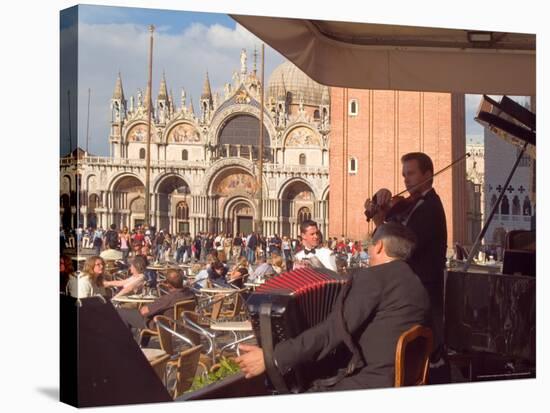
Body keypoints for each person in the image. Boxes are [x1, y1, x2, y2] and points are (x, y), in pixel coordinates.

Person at [236, 223, 430, 390]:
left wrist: (273, 358)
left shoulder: (373, 277)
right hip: (402, 381)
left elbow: (335, 330)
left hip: (370, 383)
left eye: (370, 246)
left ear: (378, 246)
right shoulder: (417, 284)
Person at [364, 152, 447, 367]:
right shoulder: (411, 204)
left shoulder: (429, 208)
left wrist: (381, 220)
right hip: (410, 296)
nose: (406, 179)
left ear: (428, 175)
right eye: (404, 175)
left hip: (422, 302)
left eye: (411, 173)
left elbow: (398, 248)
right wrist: (379, 199)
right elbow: (391, 229)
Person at [116, 269, 196, 337]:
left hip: (161, 325)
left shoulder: (169, 298)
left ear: (168, 284)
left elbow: (143, 312)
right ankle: (141, 344)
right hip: (181, 324)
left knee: (120, 312)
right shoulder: (190, 294)